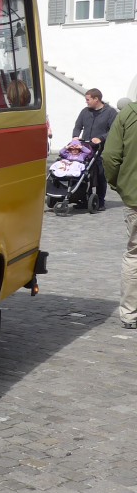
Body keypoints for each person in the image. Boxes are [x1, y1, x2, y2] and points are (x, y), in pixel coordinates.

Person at [102, 98, 137, 329]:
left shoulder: (128, 114)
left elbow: (110, 156)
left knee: (135, 255)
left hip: (135, 195)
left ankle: (130, 314)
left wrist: (119, 184)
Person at [73, 88, 118, 211]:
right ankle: (84, 198)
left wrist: (101, 138)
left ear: (96, 99)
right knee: (84, 173)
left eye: (88, 100)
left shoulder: (110, 113)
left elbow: (114, 131)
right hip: (86, 148)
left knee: (100, 174)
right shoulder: (85, 112)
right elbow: (78, 126)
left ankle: (100, 200)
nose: (86, 102)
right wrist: (75, 137)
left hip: (102, 149)